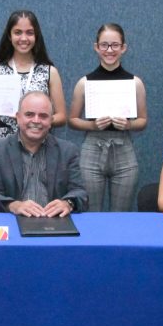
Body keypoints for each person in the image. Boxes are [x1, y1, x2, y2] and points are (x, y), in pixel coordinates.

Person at [68, 23, 147, 211]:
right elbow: (72, 120)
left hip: (124, 148)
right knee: (90, 212)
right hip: (92, 148)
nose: (109, 50)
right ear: (96, 47)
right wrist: (92, 126)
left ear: (123, 48)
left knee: (121, 213)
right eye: (104, 45)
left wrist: (128, 125)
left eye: (115, 45)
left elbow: (143, 120)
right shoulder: (84, 83)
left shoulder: (135, 83)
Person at [0, 10, 66, 139]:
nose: (24, 38)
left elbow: (61, 117)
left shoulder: (50, 72)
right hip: (5, 143)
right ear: (9, 36)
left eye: (29, 33)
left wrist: (37, 121)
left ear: (36, 36)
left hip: (39, 142)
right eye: (18, 32)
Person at [0, 91, 87, 216]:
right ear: (18, 117)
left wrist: (67, 203)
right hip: (13, 219)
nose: (36, 120)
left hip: (54, 221)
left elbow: (80, 193)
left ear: (51, 121)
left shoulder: (68, 151)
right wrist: (14, 205)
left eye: (43, 116)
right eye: (29, 114)